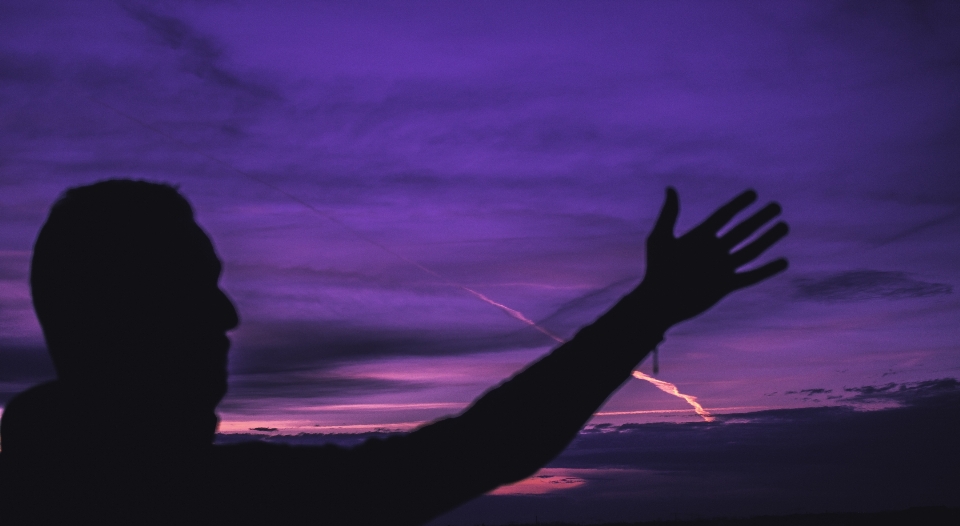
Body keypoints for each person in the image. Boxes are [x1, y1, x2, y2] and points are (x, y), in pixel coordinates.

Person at [0, 180, 787, 525]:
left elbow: (470, 454)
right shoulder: (210, 502)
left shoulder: (204, 487)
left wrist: (652, 307)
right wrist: (652, 306)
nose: (229, 314)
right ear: (111, 314)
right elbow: (473, 455)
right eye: (189, 289)